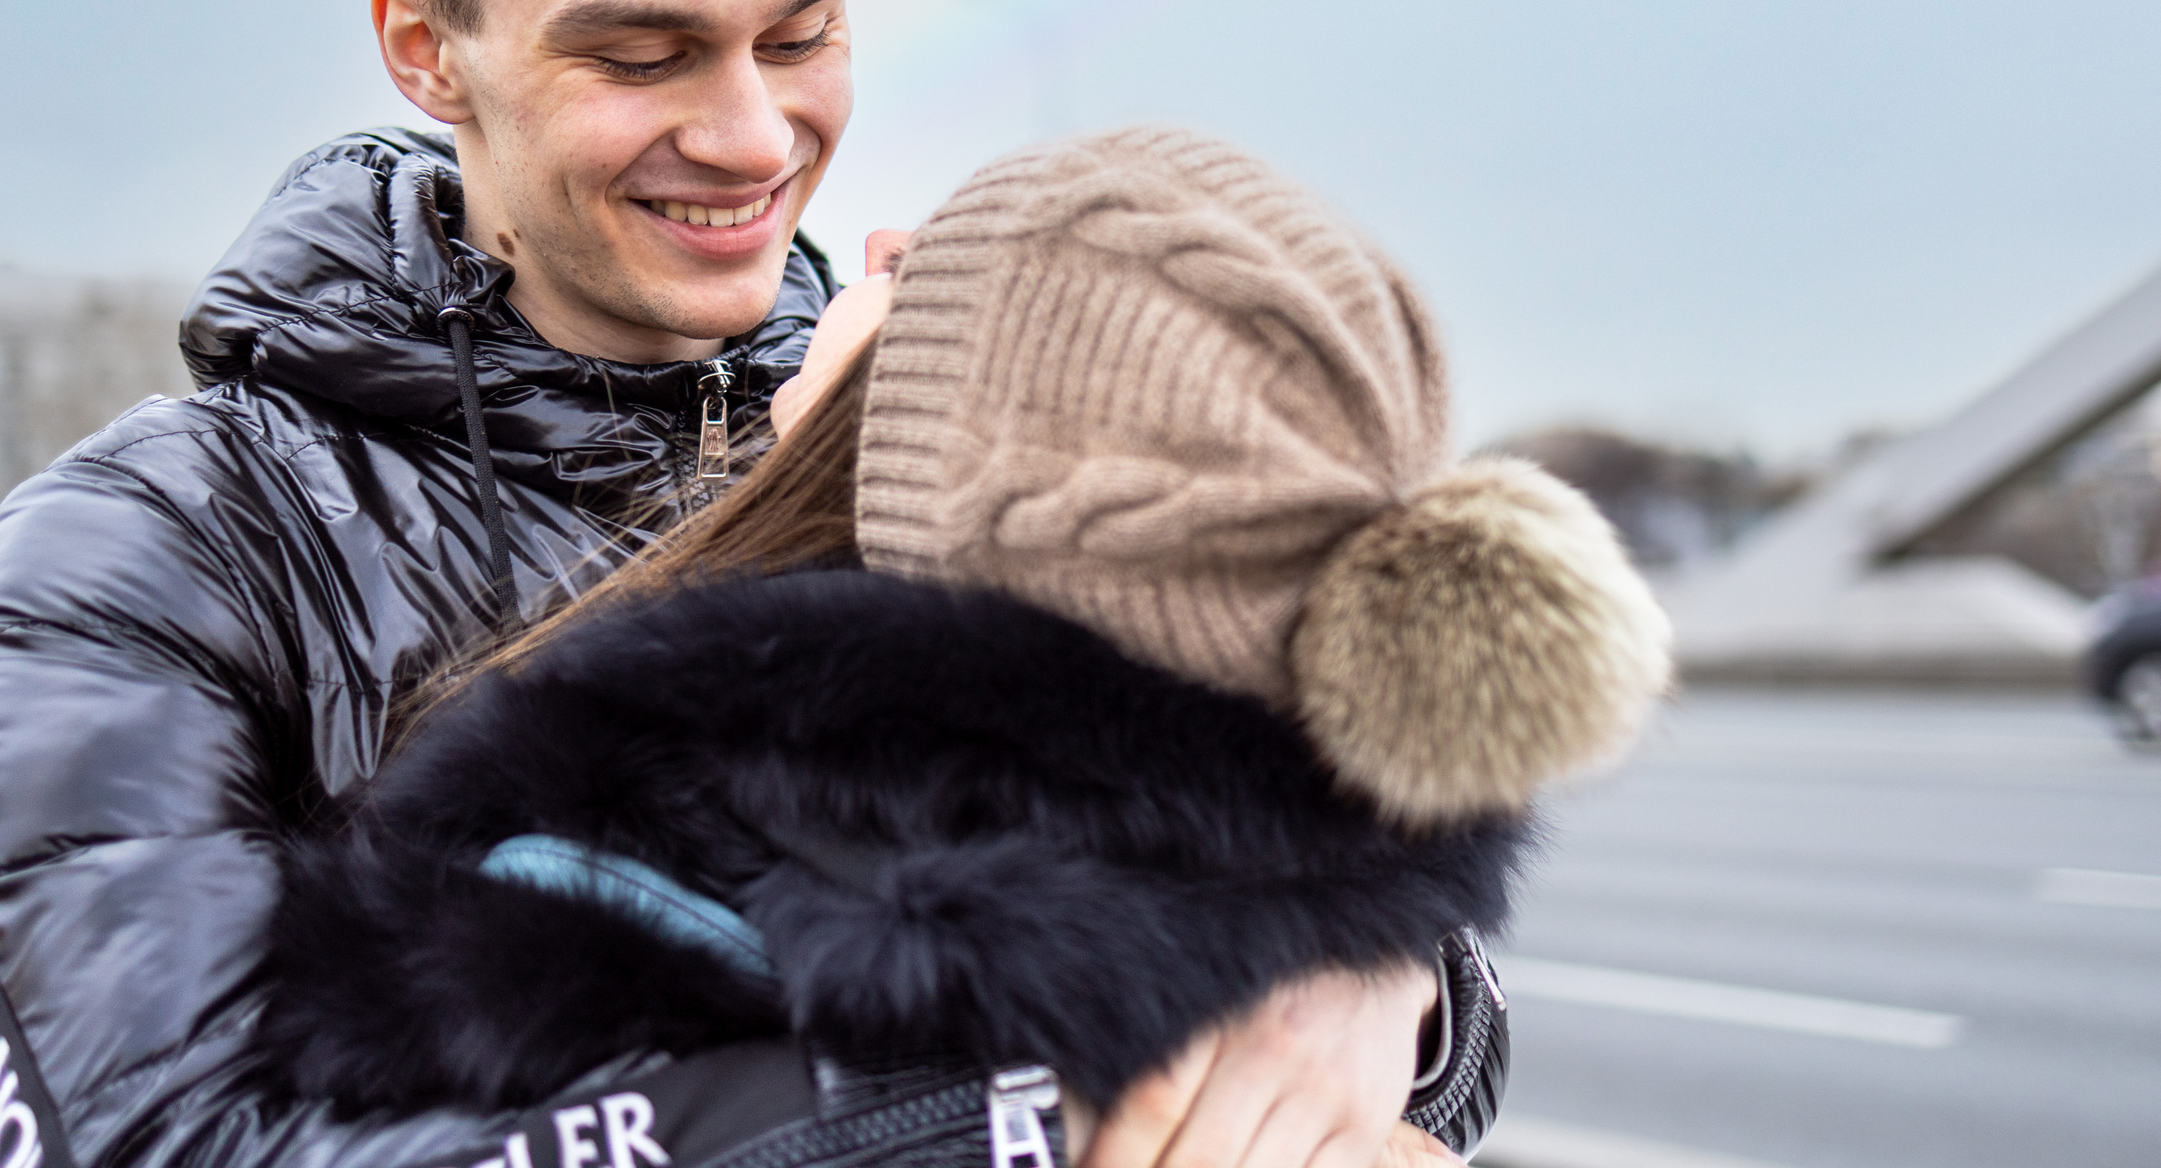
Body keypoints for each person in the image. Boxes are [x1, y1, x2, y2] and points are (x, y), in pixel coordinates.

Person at [0, 0, 1575, 1168]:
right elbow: (165, 1141)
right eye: (640, 57)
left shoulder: (965, 425)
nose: (748, 135)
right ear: (427, 51)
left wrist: (1390, 979)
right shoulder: (156, 551)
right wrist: (1039, 1098)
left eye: (803, 33)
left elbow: (1298, 843)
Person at [249, 127, 1671, 1168]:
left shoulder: (597, 883)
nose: (867, 247)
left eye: (928, 272)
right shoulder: (1280, 942)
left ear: (980, 470)